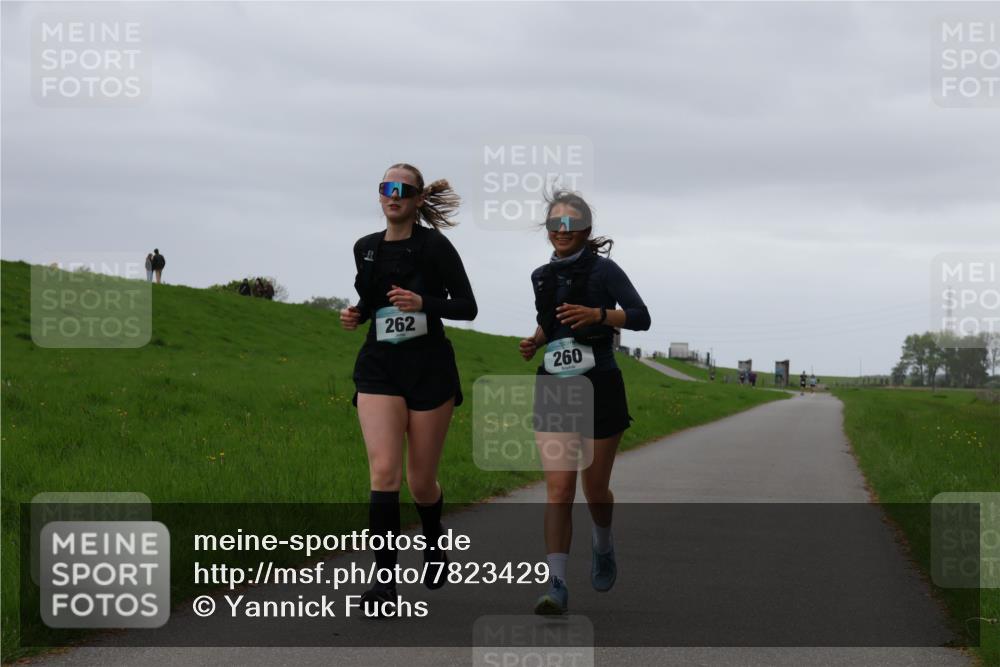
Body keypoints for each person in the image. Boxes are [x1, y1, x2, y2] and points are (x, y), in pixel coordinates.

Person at [339, 163, 477, 611]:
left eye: (403, 189)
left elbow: (468, 307)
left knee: (420, 481)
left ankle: (434, 539)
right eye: (386, 188)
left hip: (429, 369)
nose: (393, 195)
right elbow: (372, 300)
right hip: (379, 367)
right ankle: (384, 584)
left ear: (418, 200)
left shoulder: (435, 246)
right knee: (384, 473)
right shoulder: (365, 249)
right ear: (379, 196)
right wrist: (356, 314)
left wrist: (424, 302)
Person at [519, 191, 650, 615]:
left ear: (586, 231)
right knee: (558, 489)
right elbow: (550, 320)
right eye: (555, 223)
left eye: (571, 225)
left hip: (601, 384)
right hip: (555, 384)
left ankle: (603, 540)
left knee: (594, 490)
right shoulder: (540, 276)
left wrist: (598, 315)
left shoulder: (605, 271)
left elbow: (641, 315)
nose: (562, 231)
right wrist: (535, 341)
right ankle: (556, 584)